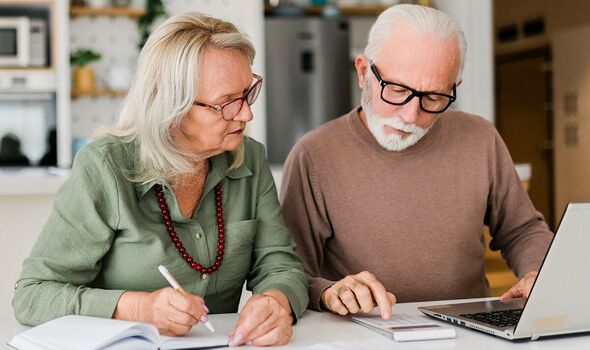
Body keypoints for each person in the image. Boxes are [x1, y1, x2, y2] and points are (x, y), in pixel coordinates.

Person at [13, 12, 308, 347]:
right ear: (171, 106)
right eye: (226, 103)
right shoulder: (105, 166)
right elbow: (33, 296)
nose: (246, 113)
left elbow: (279, 264)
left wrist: (276, 300)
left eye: (247, 93)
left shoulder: (249, 158)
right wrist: (138, 307)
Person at [280, 4, 553, 320]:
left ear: (454, 88)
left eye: (434, 97)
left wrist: (538, 273)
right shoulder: (314, 155)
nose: (411, 116)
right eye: (396, 90)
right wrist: (329, 293)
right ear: (363, 72)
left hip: (468, 331)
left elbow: (522, 231)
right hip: (363, 332)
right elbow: (289, 272)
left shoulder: (480, 138)